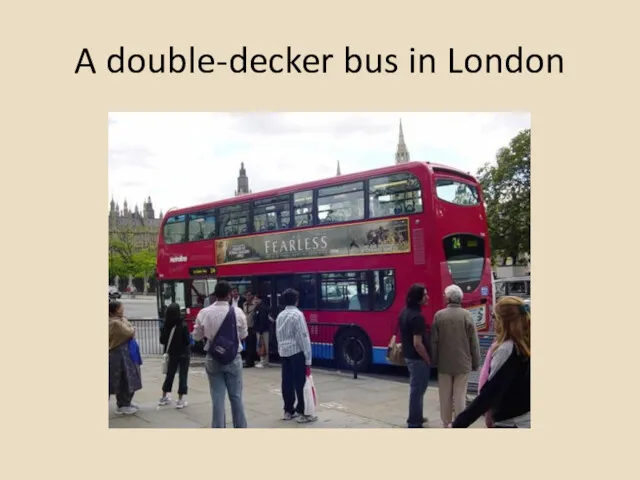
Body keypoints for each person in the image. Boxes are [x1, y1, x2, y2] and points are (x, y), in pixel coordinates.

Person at [449, 296, 530, 428]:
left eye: (493, 316)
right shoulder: (526, 344)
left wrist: (458, 423)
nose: (492, 321)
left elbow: (491, 392)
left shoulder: (506, 349)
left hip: (510, 422)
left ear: (503, 321)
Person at [193, 280, 248, 428]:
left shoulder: (204, 312)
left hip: (213, 358)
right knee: (236, 397)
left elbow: (196, 336)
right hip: (233, 358)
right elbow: (243, 335)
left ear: (214, 295)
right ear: (230, 295)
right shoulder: (238, 312)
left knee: (217, 399)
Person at [430, 284, 481, 427]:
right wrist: (476, 362)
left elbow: (434, 341)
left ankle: (446, 422)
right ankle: (459, 422)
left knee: (445, 395)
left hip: (444, 362)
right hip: (463, 363)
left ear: (448, 298)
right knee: (460, 395)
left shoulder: (439, 315)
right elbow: (474, 342)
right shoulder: (467, 315)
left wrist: (434, 360)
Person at [275, 288, 317, 423]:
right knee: (300, 382)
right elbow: (303, 337)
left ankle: (288, 410)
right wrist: (308, 358)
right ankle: (302, 412)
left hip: (284, 352)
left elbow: (278, 335)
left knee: (286, 381)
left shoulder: (280, 315)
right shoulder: (298, 315)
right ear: (297, 300)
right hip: (296, 352)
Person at [399, 284, 432, 428]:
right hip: (417, 359)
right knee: (418, 390)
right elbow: (418, 343)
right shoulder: (417, 317)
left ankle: (417, 416)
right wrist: (428, 359)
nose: (428, 297)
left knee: (416, 389)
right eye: (425, 295)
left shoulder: (405, 312)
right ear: (418, 299)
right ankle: (414, 421)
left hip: (408, 356)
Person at [109, 301, 142, 415]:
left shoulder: (119, 320)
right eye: (121, 307)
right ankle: (123, 404)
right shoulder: (115, 323)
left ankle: (126, 402)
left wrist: (126, 322)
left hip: (126, 353)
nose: (123, 309)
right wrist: (130, 326)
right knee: (125, 378)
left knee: (129, 377)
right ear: (117, 310)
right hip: (119, 354)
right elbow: (130, 332)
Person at [158, 302, 192, 408]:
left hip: (172, 354)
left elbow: (162, 341)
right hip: (183, 354)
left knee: (170, 375)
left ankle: (164, 397)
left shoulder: (165, 325)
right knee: (183, 376)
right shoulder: (183, 325)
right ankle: (180, 400)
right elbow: (187, 341)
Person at [254, 293, 274, 368]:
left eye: (256, 299)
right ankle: (262, 360)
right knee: (261, 345)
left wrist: (260, 331)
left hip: (262, 330)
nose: (255, 300)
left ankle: (264, 361)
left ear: (260, 300)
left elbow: (262, 320)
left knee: (263, 345)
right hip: (260, 330)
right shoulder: (258, 307)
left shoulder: (262, 308)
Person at [242, 291, 258, 368]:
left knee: (252, 345)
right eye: (246, 295)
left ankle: (250, 361)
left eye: (249, 295)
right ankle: (248, 360)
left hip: (252, 327)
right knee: (247, 345)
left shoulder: (255, 304)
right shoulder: (244, 304)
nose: (248, 296)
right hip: (246, 326)